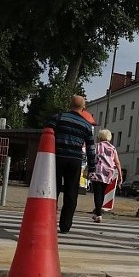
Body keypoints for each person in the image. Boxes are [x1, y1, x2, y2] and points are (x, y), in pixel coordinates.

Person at [45, 95, 95, 234]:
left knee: (52, 190)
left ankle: (48, 220)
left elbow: (46, 135)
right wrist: (92, 167)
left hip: (56, 158)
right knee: (71, 194)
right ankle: (65, 225)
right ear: (83, 107)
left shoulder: (58, 118)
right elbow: (91, 148)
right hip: (75, 160)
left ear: (70, 104)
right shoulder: (86, 125)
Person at [88, 128, 123, 223]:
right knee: (102, 193)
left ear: (100, 137)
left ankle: (98, 214)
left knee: (97, 193)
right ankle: (97, 213)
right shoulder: (113, 148)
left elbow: (91, 157)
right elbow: (117, 162)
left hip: (97, 171)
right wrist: (120, 175)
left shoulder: (97, 146)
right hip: (108, 173)